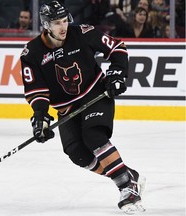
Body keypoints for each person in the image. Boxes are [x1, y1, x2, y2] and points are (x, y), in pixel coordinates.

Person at [20, 1, 146, 214]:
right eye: (56, 23)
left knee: (93, 136)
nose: (63, 27)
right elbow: (37, 91)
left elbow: (117, 48)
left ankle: (127, 186)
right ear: (46, 25)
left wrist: (116, 73)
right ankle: (125, 173)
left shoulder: (83, 33)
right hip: (66, 108)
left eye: (64, 21)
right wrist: (40, 116)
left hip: (96, 95)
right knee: (77, 154)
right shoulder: (31, 53)